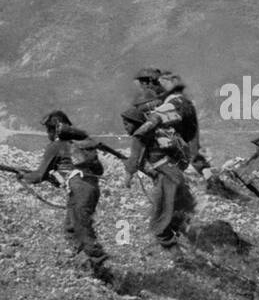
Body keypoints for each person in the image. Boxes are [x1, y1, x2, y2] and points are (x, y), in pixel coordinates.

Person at [122, 106, 195, 250]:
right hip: (175, 176)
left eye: (126, 123)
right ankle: (193, 242)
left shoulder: (140, 137)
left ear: (136, 123)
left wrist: (128, 177)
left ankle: (177, 255)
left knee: (159, 222)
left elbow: (134, 161)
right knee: (176, 214)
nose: (125, 127)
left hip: (167, 180)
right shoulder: (154, 134)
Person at [19, 110, 87, 238]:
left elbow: (39, 176)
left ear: (55, 130)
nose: (47, 133)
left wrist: (23, 176)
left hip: (77, 192)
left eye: (48, 129)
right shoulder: (74, 145)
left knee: (73, 230)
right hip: (88, 189)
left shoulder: (55, 146)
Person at [64, 138, 113, 283]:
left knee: (81, 227)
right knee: (71, 227)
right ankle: (82, 262)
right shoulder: (88, 171)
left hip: (82, 193)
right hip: (84, 190)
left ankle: (99, 265)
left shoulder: (82, 178)